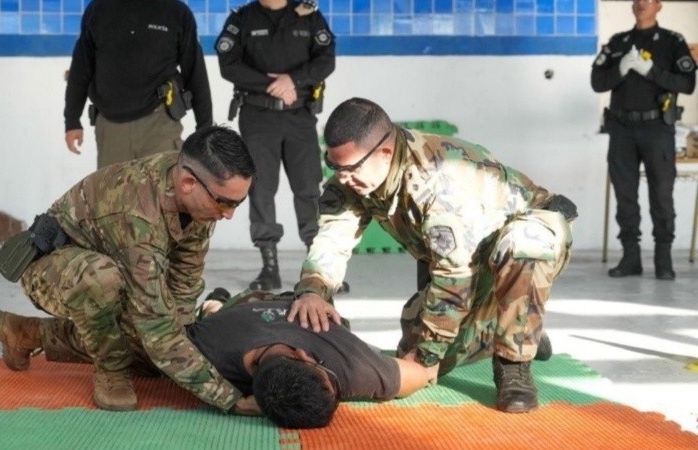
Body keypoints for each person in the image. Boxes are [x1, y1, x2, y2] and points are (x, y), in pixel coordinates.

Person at [286, 98, 575, 414]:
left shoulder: (439, 183)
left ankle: (514, 363)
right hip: (467, 254)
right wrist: (314, 291)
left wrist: (427, 356)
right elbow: (331, 239)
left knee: (523, 245)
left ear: (384, 153)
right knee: (413, 345)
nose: (342, 178)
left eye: (350, 168)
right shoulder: (352, 177)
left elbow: (454, 281)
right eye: (334, 166)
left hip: (527, 239)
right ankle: (513, 326)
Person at [0, 126, 255, 413]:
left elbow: (183, 284)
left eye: (238, 203)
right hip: (55, 269)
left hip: (117, 267)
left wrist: (185, 346)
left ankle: (26, 332)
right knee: (103, 283)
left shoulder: (196, 194)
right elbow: (155, 325)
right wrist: (230, 399)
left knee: (159, 354)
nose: (229, 214)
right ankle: (111, 369)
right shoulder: (139, 212)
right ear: (188, 183)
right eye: (225, 203)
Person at [0, 290, 436, 428]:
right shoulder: (355, 367)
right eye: (333, 381)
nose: (338, 381)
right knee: (141, 346)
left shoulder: (345, 363)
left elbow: (419, 368)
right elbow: (423, 372)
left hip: (262, 306)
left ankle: (217, 302)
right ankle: (28, 329)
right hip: (249, 310)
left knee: (205, 318)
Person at [215, 0, 336, 291]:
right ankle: (269, 268)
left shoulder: (309, 16)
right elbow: (228, 64)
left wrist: (294, 80)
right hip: (258, 117)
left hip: (300, 116)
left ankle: (317, 268)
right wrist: (271, 84)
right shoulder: (242, 19)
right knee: (261, 189)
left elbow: (326, 59)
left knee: (308, 188)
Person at [591, 0, 696, 280]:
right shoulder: (619, 42)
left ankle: (664, 260)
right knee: (625, 196)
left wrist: (652, 72)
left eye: (647, 0)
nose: (640, 4)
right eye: (636, 0)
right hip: (622, 129)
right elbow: (597, 82)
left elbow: (687, 84)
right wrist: (621, 69)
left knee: (661, 195)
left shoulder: (673, 41)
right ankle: (630, 257)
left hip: (657, 129)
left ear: (658, 6)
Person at [64, 0, 213, 168]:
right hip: (111, 128)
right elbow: (80, 69)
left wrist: (205, 128)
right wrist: (72, 120)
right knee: (113, 193)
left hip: (160, 124)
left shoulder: (177, 12)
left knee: (162, 193)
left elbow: (195, 73)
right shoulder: (98, 10)